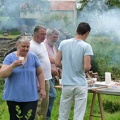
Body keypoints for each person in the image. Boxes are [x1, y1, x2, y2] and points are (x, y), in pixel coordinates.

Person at [0, 36, 46, 120]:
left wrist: (42, 88)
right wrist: (12, 65)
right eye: (23, 46)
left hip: (31, 97)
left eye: (27, 47)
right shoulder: (10, 58)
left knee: (29, 118)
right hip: (14, 97)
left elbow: (40, 73)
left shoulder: (33, 57)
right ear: (17, 45)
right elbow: (2, 75)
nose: (26, 49)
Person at [55, 22, 93, 120]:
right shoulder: (86, 46)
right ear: (87, 33)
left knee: (63, 113)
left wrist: (67, 67)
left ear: (76, 31)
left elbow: (57, 63)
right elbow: (86, 67)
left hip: (67, 84)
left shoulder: (63, 43)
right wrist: (89, 66)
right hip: (80, 84)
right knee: (78, 115)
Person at [30, 26, 52, 120]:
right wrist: (38, 82)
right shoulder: (31, 46)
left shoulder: (42, 44)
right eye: (42, 34)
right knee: (37, 106)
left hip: (46, 79)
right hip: (38, 81)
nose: (44, 37)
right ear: (35, 34)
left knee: (44, 105)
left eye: (45, 34)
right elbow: (31, 67)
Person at [44, 28, 61, 120]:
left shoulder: (53, 46)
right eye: (54, 37)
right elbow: (45, 60)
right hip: (46, 75)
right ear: (48, 36)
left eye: (57, 37)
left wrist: (59, 69)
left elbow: (55, 59)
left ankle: (46, 116)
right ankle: (46, 117)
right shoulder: (43, 45)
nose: (56, 39)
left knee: (48, 96)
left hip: (52, 75)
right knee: (52, 95)